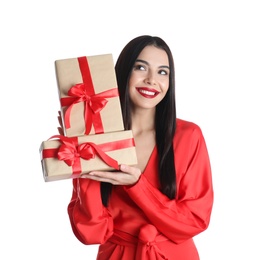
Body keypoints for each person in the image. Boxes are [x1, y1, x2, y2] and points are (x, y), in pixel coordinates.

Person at [66, 35, 214, 259]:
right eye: (141, 67)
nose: (152, 80)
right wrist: (83, 155)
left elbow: (195, 221)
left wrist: (137, 186)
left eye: (163, 72)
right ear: (124, 72)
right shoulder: (96, 141)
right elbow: (92, 233)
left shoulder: (189, 136)